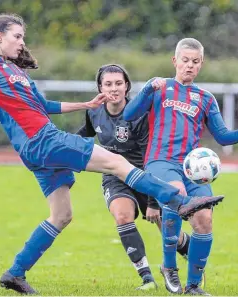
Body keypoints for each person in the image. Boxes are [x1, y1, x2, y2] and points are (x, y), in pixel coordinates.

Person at [0, 14, 225, 295]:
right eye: (17, 36)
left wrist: (86, 106)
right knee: (116, 162)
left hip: (35, 150)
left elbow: (44, 105)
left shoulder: (16, 71)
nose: (22, 42)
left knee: (62, 215)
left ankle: (14, 273)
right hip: (43, 140)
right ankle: (181, 201)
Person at [123, 38, 238, 295]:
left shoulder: (206, 98)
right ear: (175, 61)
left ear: (201, 65)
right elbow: (129, 114)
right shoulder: (159, 88)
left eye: (195, 62)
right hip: (160, 162)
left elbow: (222, 136)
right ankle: (169, 268)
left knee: (204, 219)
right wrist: (145, 89)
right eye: (185, 60)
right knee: (176, 195)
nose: (189, 66)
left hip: (191, 170)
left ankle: (193, 286)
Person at [77, 63, 196, 290]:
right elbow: (87, 133)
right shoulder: (94, 110)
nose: (114, 88)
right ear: (100, 87)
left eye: (119, 83)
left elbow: (148, 156)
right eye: (108, 84)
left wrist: (152, 202)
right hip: (114, 176)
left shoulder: (138, 115)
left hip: (145, 176)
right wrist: (61, 144)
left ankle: (191, 253)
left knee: (170, 231)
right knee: (122, 216)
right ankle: (147, 279)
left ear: (127, 86)